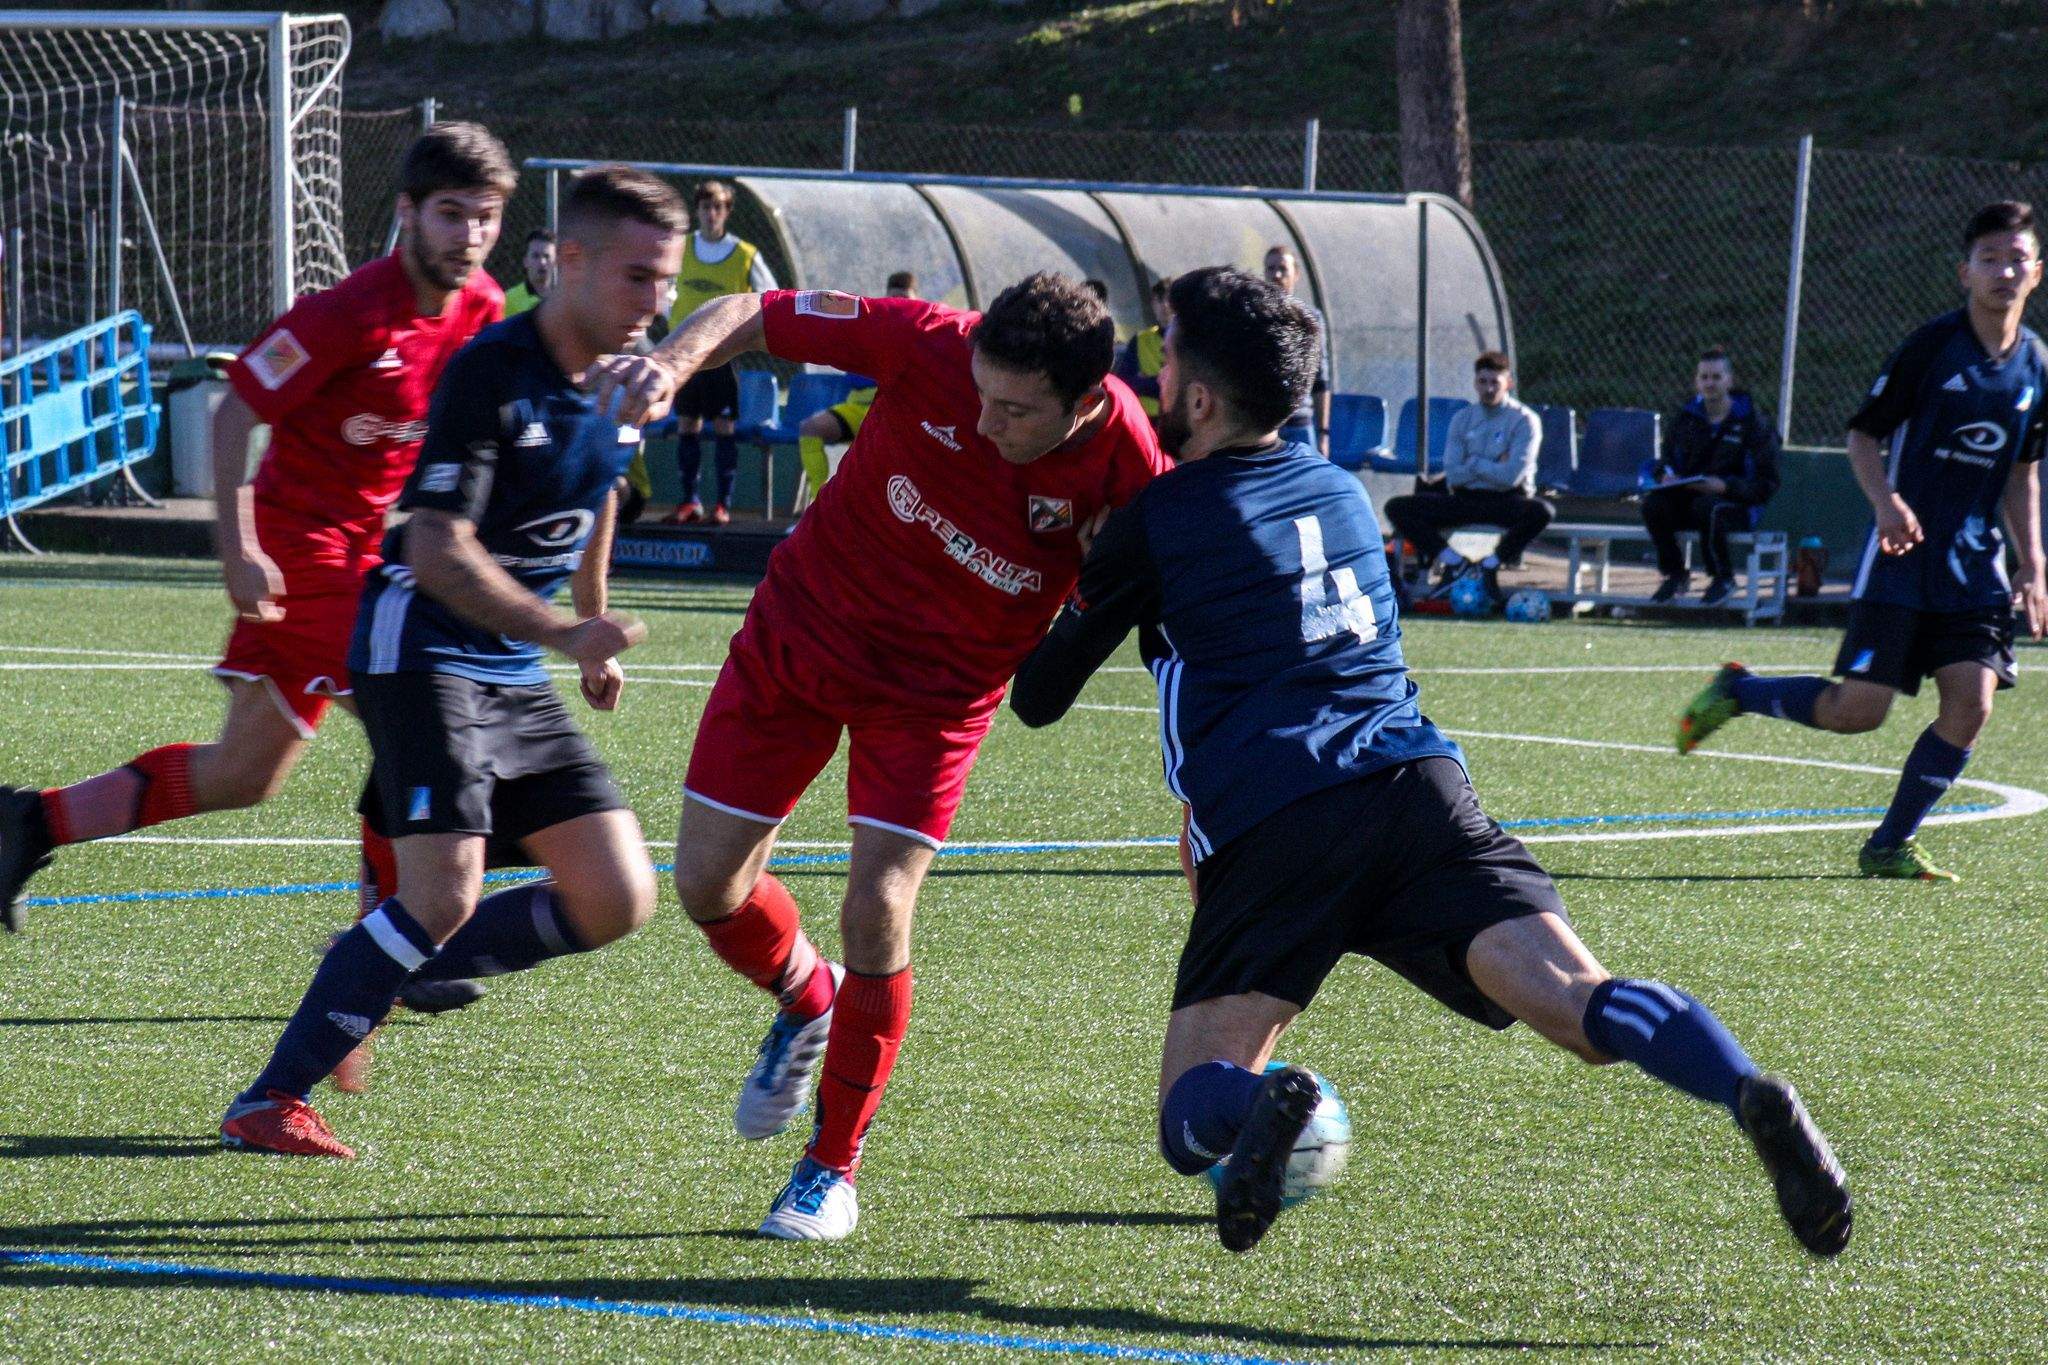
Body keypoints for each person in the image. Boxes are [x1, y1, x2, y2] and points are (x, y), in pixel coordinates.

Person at [1009, 266, 1852, 1260]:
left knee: (1189, 1109)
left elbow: (1037, 696)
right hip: (1418, 787)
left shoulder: (1157, 518)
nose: (1149, 376)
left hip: (1274, 817)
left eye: (1163, 353)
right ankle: (1738, 1085)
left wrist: (1071, 563)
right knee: (1578, 1008)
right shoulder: (1340, 491)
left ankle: (1277, 1101)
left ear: (1197, 398)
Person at [591, 271, 1170, 1240]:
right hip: (801, 632)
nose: (986, 422)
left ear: (1084, 402)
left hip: (936, 696)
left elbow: (1161, 590)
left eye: (1016, 411)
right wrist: (668, 362)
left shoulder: (1128, 464)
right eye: (981, 394)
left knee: (878, 906)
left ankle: (828, 1169)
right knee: (704, 887)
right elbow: (755, 312)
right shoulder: (929, 340)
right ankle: (804, 999)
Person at [217, 164, 678, 1158]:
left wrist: (593, 625)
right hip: (418, 645)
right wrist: (560, 634)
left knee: (616, 896)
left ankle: (383, 963)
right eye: (640, 277)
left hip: (509, 663)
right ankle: (269, 1100)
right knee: (440, 893)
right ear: (573, 264)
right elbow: (432, 548)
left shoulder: (615, 379)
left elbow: (595, 495)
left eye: (668, 281)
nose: (658, 302)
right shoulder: (491, 367)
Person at [0, 124, 514, 965]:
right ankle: (396, 946)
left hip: (363, 555)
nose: (469, 236)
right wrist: (236, 548)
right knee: (411, 715)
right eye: (451, 214)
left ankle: (26, 822)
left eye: (485, 218)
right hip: (298, 553)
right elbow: (236, 408)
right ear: (408, 213)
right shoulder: (348, 311)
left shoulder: (485, 309)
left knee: (244, 773)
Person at [1679, 200, 2048, 881]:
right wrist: (1886, 504)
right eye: (1989, 259)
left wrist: (2034, 561)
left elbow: (2022, 467)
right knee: (1858, 712)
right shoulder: (1932, 348)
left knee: (1971, 704)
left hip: (1974, 566)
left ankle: (1888, 845)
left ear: (2038, 272)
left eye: (2017, 258)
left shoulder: (2036, 365)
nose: (2004, 270)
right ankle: (1740, 690)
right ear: (1964, 272)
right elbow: (1862, 435)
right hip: (1903, 558)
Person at [1382, 351, 1549, 601]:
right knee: (1397, 507)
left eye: (1495, 382)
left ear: (1508, 383)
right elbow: (1455, 475)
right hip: (1466, 498)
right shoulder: (1463, 419)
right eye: (1483, 382)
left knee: (1542, 512)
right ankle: (1454, 561)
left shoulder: (1525, 420)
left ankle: (1491, 564)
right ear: (1475, 383)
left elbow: (1511, 477)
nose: (1489, 388)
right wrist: (1491, 465)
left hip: (1506, 500)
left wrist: (1473, 463)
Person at [665, 178, 778, 526]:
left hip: (723, 354)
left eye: (718, 207)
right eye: (705, 207)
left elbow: (770, 294)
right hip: (685, 355)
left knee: (724, 426)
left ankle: (722, 505)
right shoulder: (680, 248)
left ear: (727, 212)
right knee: (688, 423)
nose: (711, 214)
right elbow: (663, 287)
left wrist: (743, 332)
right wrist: (674, 319)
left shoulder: (744, 254)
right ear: (697, 211)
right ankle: (690, 502)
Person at [1642, 348, 1782, 606]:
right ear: (1697, 381)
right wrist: (1665, 475)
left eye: (1716, 377)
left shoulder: (1753, 423)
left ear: (1729, 380)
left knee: (1709, 508)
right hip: (1690, 498)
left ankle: (1723, 578)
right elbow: (1666, 460)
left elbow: (1767, 482)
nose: (1710, 383)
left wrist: (1726, 487)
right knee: (1654, 505)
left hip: (1735, 504)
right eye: (1704, 377)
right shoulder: (1686, 419)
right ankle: (1675, 575)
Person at [795, 271, 919, 502]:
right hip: (858, 409)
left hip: (894, 415)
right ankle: (817, 504)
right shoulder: (872, 327)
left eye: (906, 300)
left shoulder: (924, 336)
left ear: (917, 301)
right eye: (894, 299)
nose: (899, 305)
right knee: (810, 428)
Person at [1261, 246, 1330, 456]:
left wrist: (1323, 432)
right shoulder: (1257, 317)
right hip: (1265, 426)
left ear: (1296, 274)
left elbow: (1321, 379)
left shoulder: (1309, 318)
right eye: (1271, 268)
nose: (1277, 275)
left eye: (1283, 268)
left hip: (1299, 425)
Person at [1113, 278, 1172, 419]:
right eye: (1159, 300)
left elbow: (1184, 385)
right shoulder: (1140, 340)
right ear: (1153, 304)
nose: (1164, 306)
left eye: (1168, 299)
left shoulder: (1189, 340)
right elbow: (1125, 382)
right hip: (1146, 417)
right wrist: (1157, 383)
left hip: (1176, 418)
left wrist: (1145, 381)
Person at [503, 228, 555, 316]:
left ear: (556, 261)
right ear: (526, 261)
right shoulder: (509, 299)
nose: (542, 262)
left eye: (547, 256)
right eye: (536, 256)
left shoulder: (565, 299)